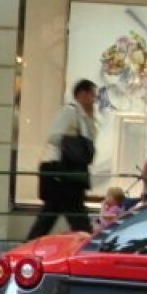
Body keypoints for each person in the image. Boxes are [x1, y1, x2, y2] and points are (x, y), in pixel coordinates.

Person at [28, 78, 99, 238]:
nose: (94, 100)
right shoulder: (70, 111)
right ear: (82, 94)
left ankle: (28, 246)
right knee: (77, 218)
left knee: (49, 216)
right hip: (66, 174)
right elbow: (54, 136)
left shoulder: (84, 116)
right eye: (92, 95)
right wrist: (73, 145)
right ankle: (87, 246)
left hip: (68, 176)